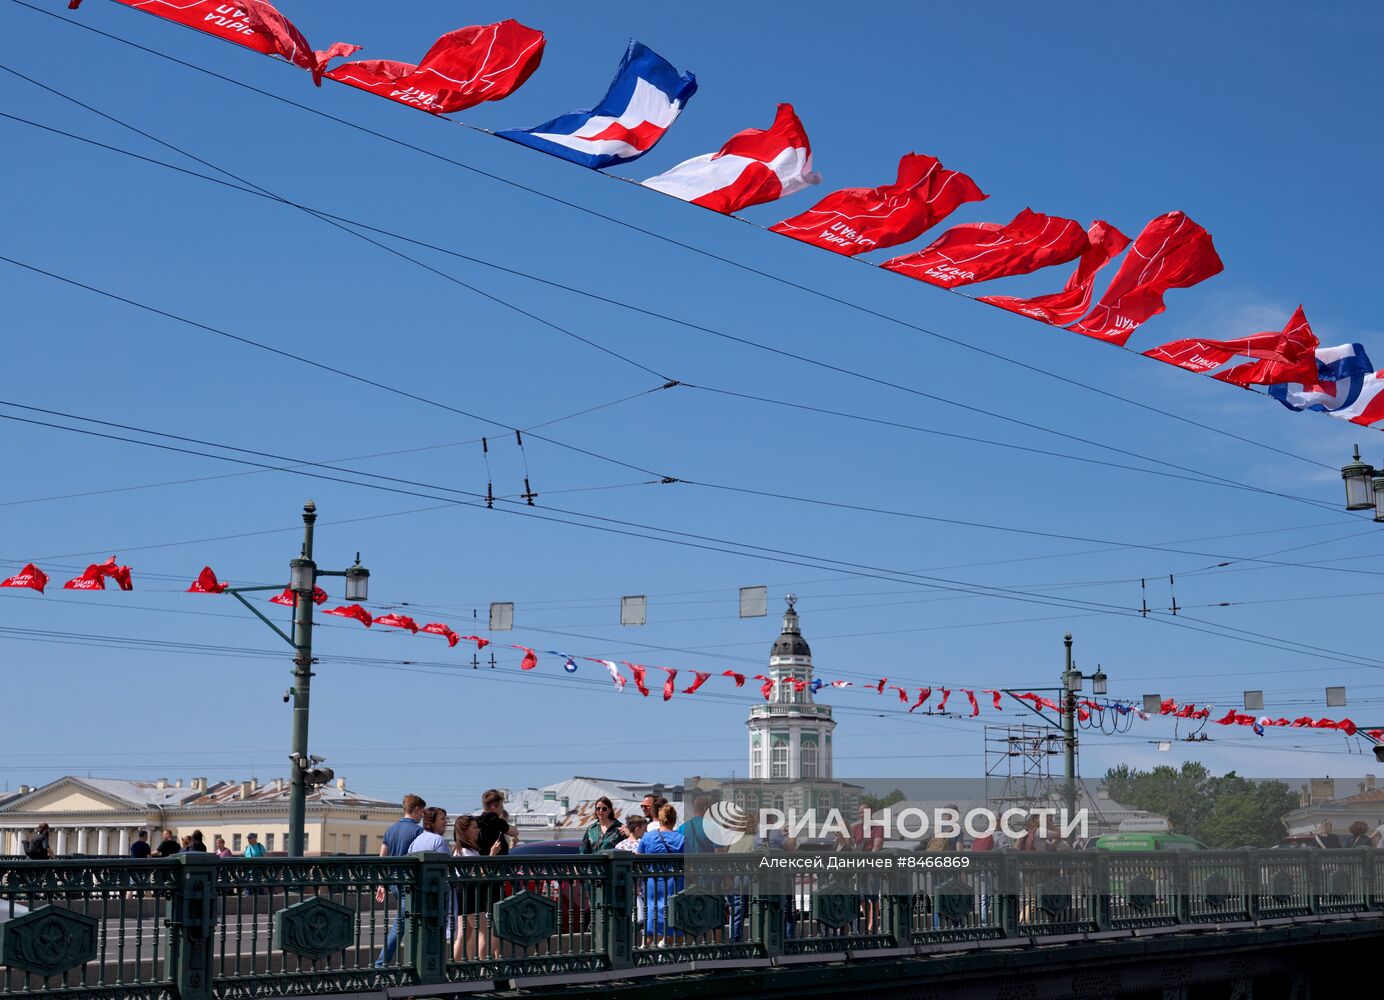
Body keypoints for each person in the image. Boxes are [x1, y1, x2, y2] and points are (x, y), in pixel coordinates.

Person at [375, 794, 426, 969]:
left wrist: (382, 884)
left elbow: (382, 858)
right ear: (417, 809)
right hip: (410, 884)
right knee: (400, 925)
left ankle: (412, 964)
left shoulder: (390, 829)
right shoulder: (418, 832)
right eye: (422, 812)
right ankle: (381, 965)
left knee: (409, 921)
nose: (422, 817)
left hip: (394, 884)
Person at [637, 803, 685, 946]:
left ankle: (647, 945)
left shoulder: (648, 837)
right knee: (673, 910)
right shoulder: (681, 839)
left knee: (651, 910)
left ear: (659, 818)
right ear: (674, 820)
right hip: (674, 881)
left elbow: (638, 858)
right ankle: (668, 946)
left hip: (652, 880)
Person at [452, 816, 486, 961]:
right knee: (485, 931)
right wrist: (492, 854)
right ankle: (484, 967)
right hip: (469, 892)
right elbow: (478, 873)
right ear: (465, 831)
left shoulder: (465, 850)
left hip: (464, 891)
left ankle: (453, 967)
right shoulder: (465, 852)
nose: (477, 830)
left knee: (464, 933)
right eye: (474, 827)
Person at [476, 789, 515, 856]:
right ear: (493, 808)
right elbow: (515, 832)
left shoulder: (476, 822)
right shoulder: (497, 821)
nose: (501, 810)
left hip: (481, 862)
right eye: (501, 808)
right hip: (496, 863)